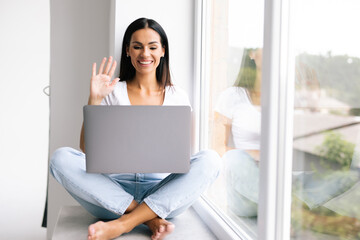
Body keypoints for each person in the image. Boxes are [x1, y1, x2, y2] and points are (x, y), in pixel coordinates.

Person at [50, 18, 221, 240]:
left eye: (152, 47)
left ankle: (124, 224)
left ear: (162, 51)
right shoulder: (113, 91)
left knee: (211, 159)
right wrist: (94, 98)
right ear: (128, 51)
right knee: (60, 157)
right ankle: (146, 217)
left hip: (162, 192)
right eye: (137, 47)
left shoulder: (178, 96)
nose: (145, 54)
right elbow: (85, 149)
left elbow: (183, 157)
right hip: (112, 193)